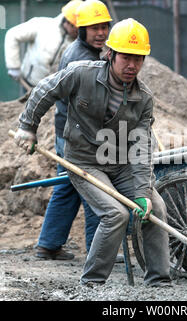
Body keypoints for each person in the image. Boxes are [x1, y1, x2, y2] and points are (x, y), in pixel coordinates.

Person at [14, 18, 172, 287]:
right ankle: (91, 285)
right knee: (115, 215)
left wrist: (143, 193)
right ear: (110, 54)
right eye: (126, 57)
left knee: (156, 208)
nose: (132, 65)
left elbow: (143, 147)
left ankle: (159, 281)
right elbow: (45, 90)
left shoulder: (143, 98)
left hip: (121, 164)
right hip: (85, 162)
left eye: (139, 58)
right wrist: (28, 127)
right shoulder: (81, 73)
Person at [35, 0, 118, 260]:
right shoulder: (81, 60)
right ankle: (99, 250)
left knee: (67, 187)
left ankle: (47, 245)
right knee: (96, 187)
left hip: (69, 131)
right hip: (78, 136)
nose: (101, 33)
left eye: (104, 27)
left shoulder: (87, 53)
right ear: (81, 29)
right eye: (94, 28)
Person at [4, 0, 82, 88]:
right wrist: (13, 66)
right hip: (30, 84)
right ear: (68, 22)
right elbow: (12, 34)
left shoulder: (80, 43)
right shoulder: (42, 25)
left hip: (55, 91)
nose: (78, 32)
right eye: (76, 29)